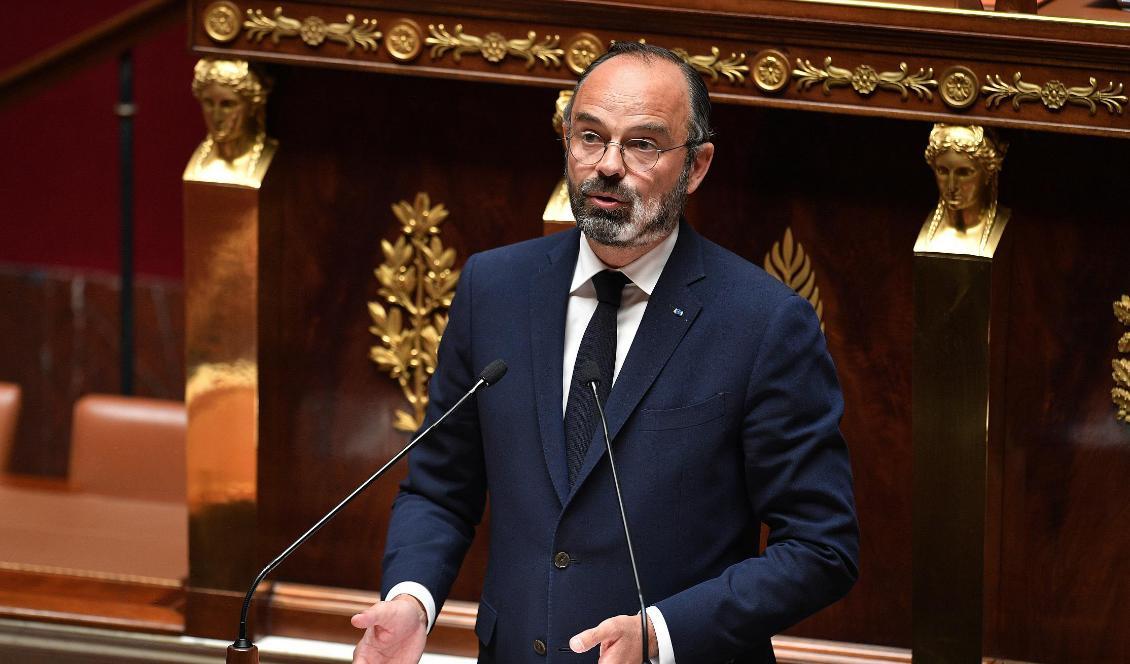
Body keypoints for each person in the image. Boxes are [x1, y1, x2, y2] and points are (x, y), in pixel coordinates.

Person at [351, 41, 859, 664]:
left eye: (643, 144)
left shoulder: (764, 324)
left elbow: (820, 546)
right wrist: (412, 598)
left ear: (696, 167)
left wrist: (663, 633)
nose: (609, 165)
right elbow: (439, 488)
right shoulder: (494, 289)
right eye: (589, 137)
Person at [915, 123, 1009, 257]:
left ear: (989, 172)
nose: (952, 186)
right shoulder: (923, 230)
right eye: (943, 171)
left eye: (964, 173)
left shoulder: (1006, 225)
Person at [186, 58, 277, 186]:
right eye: (209, 103)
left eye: (227, 105)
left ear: (252, 106)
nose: (217, 116)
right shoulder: (198, 164)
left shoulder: (269, 156)